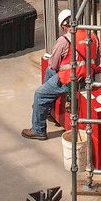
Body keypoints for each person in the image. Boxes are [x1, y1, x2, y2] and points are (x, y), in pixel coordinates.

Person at [24, 10, 77, 140]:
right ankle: (46, 108)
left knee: (40, 94)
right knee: (49, 72)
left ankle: (38, 129)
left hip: (69, 80)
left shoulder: (64, 40)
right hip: (87, 77)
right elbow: (96, 62)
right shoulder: (91, 36)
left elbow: (53, 64)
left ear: (64, 26)